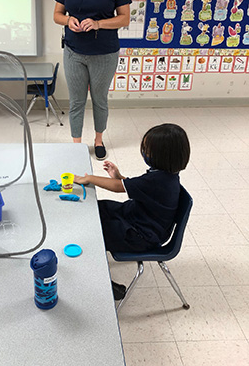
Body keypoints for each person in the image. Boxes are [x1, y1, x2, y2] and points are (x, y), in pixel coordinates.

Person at [74, 123, 190, 299]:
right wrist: (119, 177)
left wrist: (89, 178)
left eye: (148, 151)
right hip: (136, 218)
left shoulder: (159, 179)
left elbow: (118, 188)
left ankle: (103, 283)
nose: (144, 153)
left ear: (162, 156)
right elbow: (138, 187)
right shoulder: (166, 175)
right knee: (98, 209)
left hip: (140, 235)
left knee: (92, 233)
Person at [53, 0, 131, 160]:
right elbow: (57, 15)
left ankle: (98, 140)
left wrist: (97, 24)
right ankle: (77, 144)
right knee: (76, 101)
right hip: (74, 51)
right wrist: (69, 22)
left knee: (99, 99)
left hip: (104, 53)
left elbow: (124, 18)